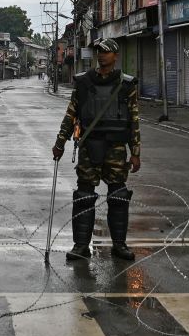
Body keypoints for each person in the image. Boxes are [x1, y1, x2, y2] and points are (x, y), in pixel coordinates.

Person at [51, 38, 141, 261]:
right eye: (99, 51)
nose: (102, 55)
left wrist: (136, 152)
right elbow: (71, 115)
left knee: (118, 196)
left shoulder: (126, 84)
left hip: (116, 148)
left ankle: (119, 245)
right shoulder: (83, 82)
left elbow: (134, 120)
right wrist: (60, 143)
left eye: (107, 52)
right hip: (89, 148)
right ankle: (81, 246)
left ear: (115, 56)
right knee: (84, 196)